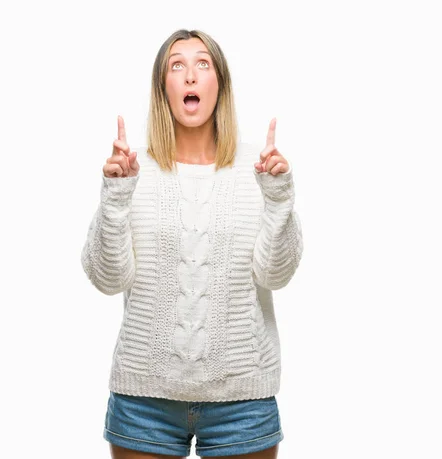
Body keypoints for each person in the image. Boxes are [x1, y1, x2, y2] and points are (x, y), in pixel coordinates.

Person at [81, 28, 303, 459]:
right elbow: (107, 279)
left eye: (202, 64)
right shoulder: (131, 168)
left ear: (219, 83)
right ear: (162, 86)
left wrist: (278, 197)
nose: (189, 76)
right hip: (143, 399)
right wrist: (116, 195)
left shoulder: (258, 167)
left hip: (243, 398)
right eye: (176, 65)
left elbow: (276, 273)